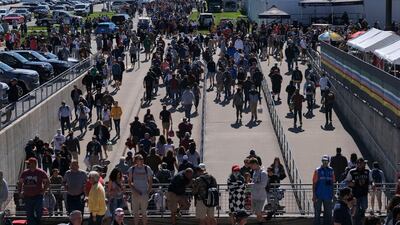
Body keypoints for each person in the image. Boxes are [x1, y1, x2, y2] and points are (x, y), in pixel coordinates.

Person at [18, 157, 49, 225]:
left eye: (29, 163)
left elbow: (47, 182)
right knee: (29, 214)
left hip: (38, 196)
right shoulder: (25, 173)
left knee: (39, 212)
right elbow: (20, 183)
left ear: (34, 164)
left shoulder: (41, 172)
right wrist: (20, 192)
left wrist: (43, 191)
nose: (28, 164)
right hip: (27, 196)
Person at [344, 158, 373, 225]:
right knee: (355, 210)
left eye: (361, 163)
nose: (359, 164)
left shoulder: (367, 171)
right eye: (358, 163)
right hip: (355, 194)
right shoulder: (352, 171)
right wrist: (350, 183)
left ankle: (361, 220)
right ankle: (355, 223)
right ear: (356, 164)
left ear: (363, 164)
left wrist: (373, 185)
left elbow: (371, 181)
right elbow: (346, 181)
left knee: (364, 207)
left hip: (364, 193)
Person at [128, 154, 153, 225]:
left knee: (144, 213)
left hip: (144, 193)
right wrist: (135, 191)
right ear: (136, 160)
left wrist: (148, 191)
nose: (141, 160)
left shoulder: (147, 168)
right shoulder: (132, 169)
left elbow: (150, 181)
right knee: (135, 213)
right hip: (135, 194)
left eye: (142, 159)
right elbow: (129, 182)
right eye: (139, 159)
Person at [312, 155, 335, 225]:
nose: (325, 162)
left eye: (326, 161)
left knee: (328, 214)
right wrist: (314, 195)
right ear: (322, 161)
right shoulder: (317, 170)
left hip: (328, 196)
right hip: (318, 195)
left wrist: (333, 194)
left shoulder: (331, 170)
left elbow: (333, 183)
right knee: (317, 213)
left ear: (328, 161)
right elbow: (314, 183)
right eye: (323, 161)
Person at [249, 157, 268, 224]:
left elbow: (263, 185)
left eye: (251, 166)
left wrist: (252, 184)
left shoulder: (263, 173)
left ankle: (266, 221)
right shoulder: (254, 172)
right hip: (254, 196)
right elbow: (254, 182)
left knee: (258, 213)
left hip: (260, 197)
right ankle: (265, 218)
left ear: (255, 164)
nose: (251, 167)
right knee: (256, 213)